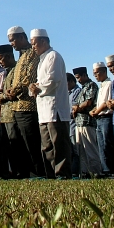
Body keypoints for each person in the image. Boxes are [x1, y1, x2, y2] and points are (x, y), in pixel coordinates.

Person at [28, 29, 71, 179]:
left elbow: (53, 81)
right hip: (44, 110)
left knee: (58, 144)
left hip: (55, 108)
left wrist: (37, 87)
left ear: (44, 41)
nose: (33, 47)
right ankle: (50, 174)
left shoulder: (54, 56)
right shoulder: (42, 60)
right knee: (46, 146)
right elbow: (38, 85)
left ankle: (62, 174)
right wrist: (33, 87)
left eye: (34, 44)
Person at [4, 27, 46, 177]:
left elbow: (30, 77)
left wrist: (14, 91)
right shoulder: (21, 57)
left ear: (22, 37)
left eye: (13, 40)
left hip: (28, 106)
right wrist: (9, 91)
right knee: (21, 145)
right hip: (16, 107)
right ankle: (28, 173)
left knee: (32, 143)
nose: (12, 44)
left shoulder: (32, 53)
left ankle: (39, 173)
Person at [0, 43, 28, 178]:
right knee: (10, 146)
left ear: (8, 56)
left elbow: (11, 92)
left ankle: (22, 171)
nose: (0, 62)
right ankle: (15, 171)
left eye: (1, 59)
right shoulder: (7, 72)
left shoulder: (16, 70)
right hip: (5, 114)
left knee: (17, 144)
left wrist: (1, 96)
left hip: (14, 112)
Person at [72, 66, 101, 176]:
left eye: (79, 77)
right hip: (79, 123)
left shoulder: (91, 85)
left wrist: (77, 108)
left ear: (85, 75)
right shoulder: (82, 88)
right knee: (82, 151)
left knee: (90, 149)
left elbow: (88, 102)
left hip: (87, 122)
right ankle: (85, 173)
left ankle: (96, 172)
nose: (78, 80)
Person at [89, 61, 114, 174]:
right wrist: (95, 110)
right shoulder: (101, 85)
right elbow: (99, 104)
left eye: (97, 73)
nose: (95, 76)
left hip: (106, 117)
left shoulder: (109, 83)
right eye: (94, 73)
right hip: (99, 118)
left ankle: (110, 169)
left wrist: (97, 111)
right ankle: (105, 169)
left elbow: (106, 103)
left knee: (107, 144)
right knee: (101, 146)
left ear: (104, 72)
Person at [66, 73, 80, 175]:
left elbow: (74, 109)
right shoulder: (67, 92)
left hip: (75, 125)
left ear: (71, 81)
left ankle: (76, 171)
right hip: (68, 125)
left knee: (76, 150)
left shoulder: (77, 91)